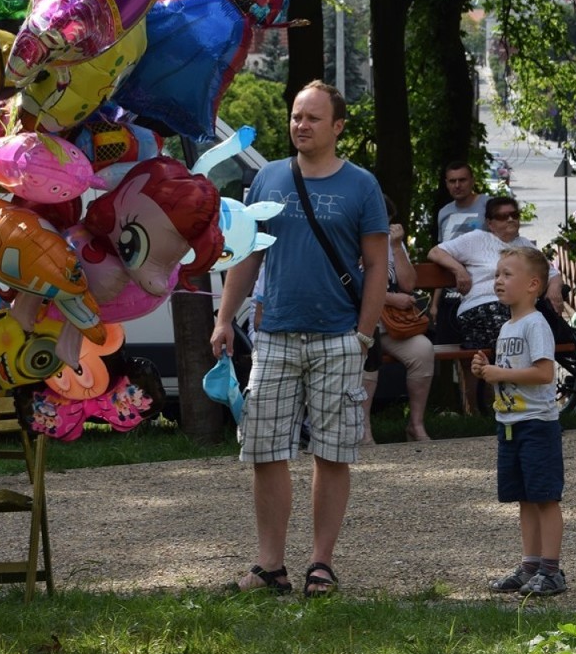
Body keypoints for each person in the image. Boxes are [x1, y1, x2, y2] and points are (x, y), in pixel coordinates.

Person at [210, 80, 389, 598]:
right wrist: (226, 319)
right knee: (264, 449)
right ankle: (271, 567)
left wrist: (363, 334)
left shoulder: (361, 185)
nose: (300, 125)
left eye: (312, 118)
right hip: (274, 334)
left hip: (338, 337)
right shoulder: (267, 179)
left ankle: (321, 565)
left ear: (338, 126)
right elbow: (249, 255)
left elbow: (376, 265)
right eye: (295, 116)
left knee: (332, 453)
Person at [472, 246, 566, 597]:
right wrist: (486, 370)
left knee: (545, 497)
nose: (498, 280)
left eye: (507, 274)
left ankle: (552, 570)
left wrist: (497, 371)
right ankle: (530, 566)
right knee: (525, 498)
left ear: (532, 285)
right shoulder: (509, 325)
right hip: (509, 422)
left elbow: (543, 373)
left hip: (536, 425)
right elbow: (512, 372)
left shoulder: (535, 324)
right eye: (497, 274)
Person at [427, 196, 564, 411]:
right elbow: (435, 252)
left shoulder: (525, 247)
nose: (510, 220)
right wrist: (459, 269)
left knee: (538, 329)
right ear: (490, 223)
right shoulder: (476, 239)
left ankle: (527, 403)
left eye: (514, 215)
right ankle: (513, 404)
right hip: (480, 309)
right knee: (522, 333)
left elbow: (552, 272)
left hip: (519, 311)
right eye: (502, 216)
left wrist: (555, 286)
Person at [361, 198, 434, 444]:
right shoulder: (351, 241)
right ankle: (363, 429)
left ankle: (415, 425)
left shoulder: (393, 244)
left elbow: (409, 284)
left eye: (387, 220)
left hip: (394, 326)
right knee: (368, 351)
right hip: (363, 322)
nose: (383, 225)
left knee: (423, 350)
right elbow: (354, 285)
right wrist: (391, 299)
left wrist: (397, 245)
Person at [432, 161, 490, 343]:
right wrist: (434, 303)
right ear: (446, 183)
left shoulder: (487, 205)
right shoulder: (444, 213)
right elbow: (440, 256)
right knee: (444, 347)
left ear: (472, 181)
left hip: (483, 293)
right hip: (450, 292)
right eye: (452, 181)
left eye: (462, 180)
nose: (457, 185)